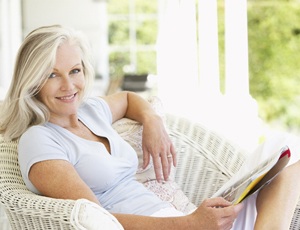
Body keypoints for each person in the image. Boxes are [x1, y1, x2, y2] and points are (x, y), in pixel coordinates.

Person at [0, 24, 299, 230]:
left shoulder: (91, 111)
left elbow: (129, 99)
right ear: (33, 80)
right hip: (169, 226)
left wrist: (153, 121)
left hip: (180, 220)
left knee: (289, 153)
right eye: (52, 75)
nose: (69, 85)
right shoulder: (39, 140)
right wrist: (189, 224)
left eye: (75, 71)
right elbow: (98, 221)